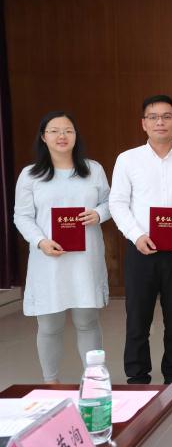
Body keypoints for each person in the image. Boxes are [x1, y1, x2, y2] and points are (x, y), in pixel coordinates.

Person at [109, 95, 172, 387]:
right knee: (138, 318)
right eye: (153, 117)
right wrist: (136, 235)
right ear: (144, 124)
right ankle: (137, 378)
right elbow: (117, 202)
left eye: (166, 116)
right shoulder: (128, 159)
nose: (160, 122)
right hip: (141, 250)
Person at [14, 111, 110, 383]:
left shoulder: (93, 169)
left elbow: (110, 202)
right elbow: (22, 216)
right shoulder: (30, 175)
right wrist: (41, 241)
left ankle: (94, 380)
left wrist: (98, 214)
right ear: (43, 137)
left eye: (68, 130)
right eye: (54, 131)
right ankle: (51, 382)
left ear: (76, 136)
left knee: (87, 321)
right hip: (48, 259)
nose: (62, 136)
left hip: (85, 258)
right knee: (49, 325)